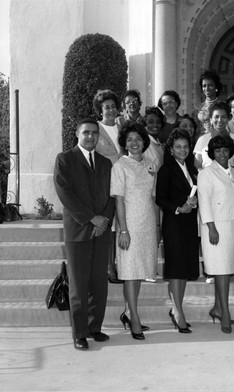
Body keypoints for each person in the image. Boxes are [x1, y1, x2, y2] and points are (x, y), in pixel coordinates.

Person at [53, 118, 115, 350]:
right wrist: (91, 218)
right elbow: (65, 194)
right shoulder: (65, 160)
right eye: (86, 132)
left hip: (102, 230)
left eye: (94, 133)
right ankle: (79, 333)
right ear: (77, 134)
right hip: (78, 230)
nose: (90, 137)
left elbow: (112, 194)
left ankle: (94, 328)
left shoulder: (106, 163)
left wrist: (104, 221)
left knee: (99, 283)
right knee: (79, 285)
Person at [111, 122, 160, 340]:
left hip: (147, 224)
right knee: (130, 272)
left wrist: (157, 226)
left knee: (138, 271)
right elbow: (119, 201)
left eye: (138, 139)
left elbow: (153, 198)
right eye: (129, 139)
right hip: (129, 225)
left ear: (144, 142)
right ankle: (135, 319)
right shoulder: (119, 166)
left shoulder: (150, 165)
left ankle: (129, 312)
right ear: (124, 143)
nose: (134, 143)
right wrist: (123, 230)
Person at [197, 134, 234, 334]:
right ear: (212, 153)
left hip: (232, 225)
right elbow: (204, 201)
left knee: (225, 271)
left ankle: (217, 308)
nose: (222, 154)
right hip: (215, 227)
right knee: (222, 271)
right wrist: (211, 227)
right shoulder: (206, 173)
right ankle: (225, 312)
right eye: (218, 151)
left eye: (225, 150)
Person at [156, 129, 199, 334]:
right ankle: (178, 311)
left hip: (189, 223)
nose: (183, 150)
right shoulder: (166, 169)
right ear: (171, 150)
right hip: (174, 223)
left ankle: (177, 309)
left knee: (183, 269)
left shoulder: (191, 168)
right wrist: (179, 208)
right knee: (175, 267)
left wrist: (193, 202)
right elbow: (160, 199)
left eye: (186, 146)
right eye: (178, 147)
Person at [194, 101, 234, 173]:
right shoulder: (202, 140)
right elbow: (197, 166)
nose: (220, 120)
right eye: (216, 117)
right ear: (211, 119)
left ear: (228, 119)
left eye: (223, 117)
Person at [93, 89, 123, 164]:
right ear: (100, 111)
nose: (111, 110)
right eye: (107, 108)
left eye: (113, 106)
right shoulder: (95, 130)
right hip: (104, 174)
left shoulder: (122, 128)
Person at [193, 69, 223, 135]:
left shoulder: (222, 106)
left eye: (210, 85)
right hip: (201, 140)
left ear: (216, 87)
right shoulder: (198, 108)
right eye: (204, 86)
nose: (207, 88)